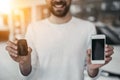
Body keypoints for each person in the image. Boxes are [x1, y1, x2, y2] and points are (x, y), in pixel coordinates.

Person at [6, 0, 114, 80]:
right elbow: (28, 73)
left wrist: (92, 69)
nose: (58, 0)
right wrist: (24, 63)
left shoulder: (87, 27)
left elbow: (91, 72)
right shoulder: (34, 28)